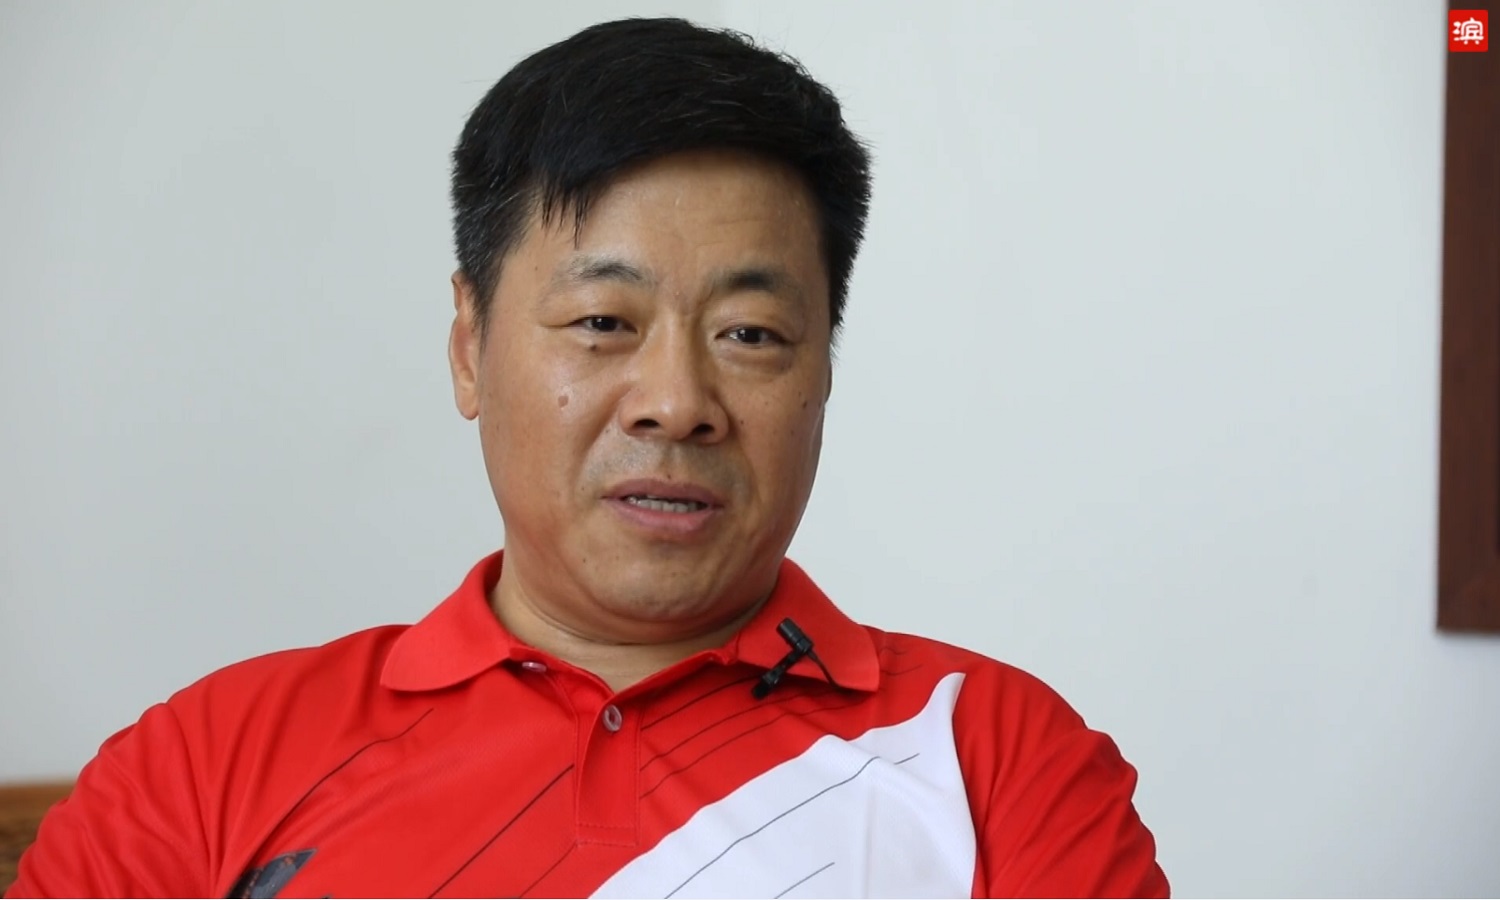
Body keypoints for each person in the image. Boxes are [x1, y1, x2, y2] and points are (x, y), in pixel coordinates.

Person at [9, 17, 1167, 899]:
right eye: (604, 322)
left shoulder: (996, 760)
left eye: (751, 335)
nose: (676, 405)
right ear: (470, 349)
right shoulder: (207, 766)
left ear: (823, 368)